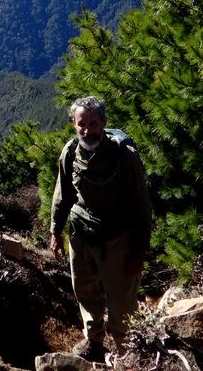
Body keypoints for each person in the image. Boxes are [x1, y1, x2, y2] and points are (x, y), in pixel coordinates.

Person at [49, 95, 152, 363]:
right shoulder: (70, 152)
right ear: (73, 123)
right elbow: (62, 195)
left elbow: (142, 208)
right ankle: (94, 341)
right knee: (85, 291)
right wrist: (54, 232)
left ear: (104, 123)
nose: (87, 130)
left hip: (117, 238)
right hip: (81, 234)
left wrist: (138, 253)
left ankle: (126, 352)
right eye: (82, 124)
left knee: (122, 300)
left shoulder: (124, 158)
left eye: (93, 123)